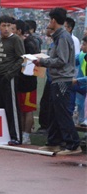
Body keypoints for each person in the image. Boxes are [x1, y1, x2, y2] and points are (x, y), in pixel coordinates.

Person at [34, 8, 81, 155]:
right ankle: (54, 142)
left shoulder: (63, 37)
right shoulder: (58, 37)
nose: (48, 23)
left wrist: (43, 61)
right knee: (54, 112)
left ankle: (73, 144)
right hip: (56, 79)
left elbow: (62, 60)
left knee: (62, 113)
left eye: (49, 20)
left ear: (53, 20)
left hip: (62, 79)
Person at [0, 15, 24, 145]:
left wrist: (10, 74)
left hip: (9, 77)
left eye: (8, 26)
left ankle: (17, 136)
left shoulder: (15, 40)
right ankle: (3, 134)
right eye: (3, 26)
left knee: (12, 107)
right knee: (0, 106)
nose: (6, 29)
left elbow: (21, 59)